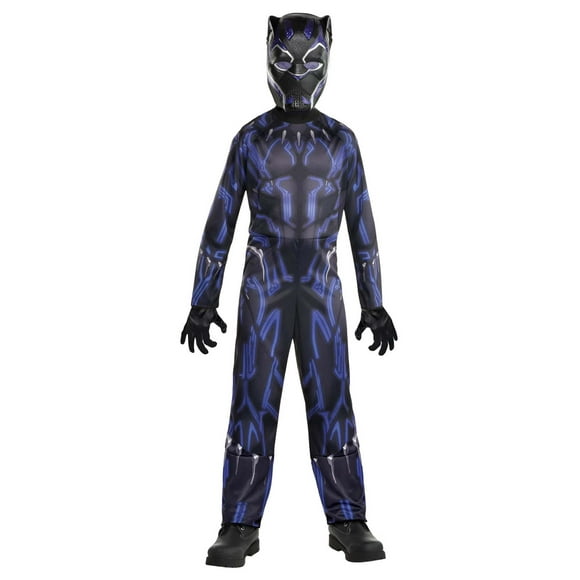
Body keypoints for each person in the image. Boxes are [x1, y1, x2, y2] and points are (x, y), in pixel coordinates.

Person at [181, 13, 397, 567]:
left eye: (310, 61)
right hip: (266, 287)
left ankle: (347, 518)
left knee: (333, 401)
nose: (297, 73)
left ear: (328, 58)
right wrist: (203, 298)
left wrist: (374, 302)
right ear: (268, 54)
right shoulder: (250, 138)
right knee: (252, 402)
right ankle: (239, 523)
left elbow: (363, 224)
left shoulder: (343, 141)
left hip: (321, 288)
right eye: (285, 59)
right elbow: (221, 219)